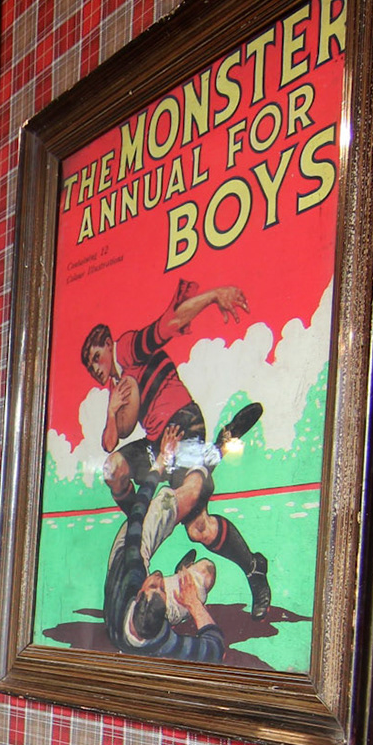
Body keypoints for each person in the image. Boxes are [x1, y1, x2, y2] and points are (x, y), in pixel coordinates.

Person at [81, 279, 270, 617]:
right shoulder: (116, 385)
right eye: (90, 365)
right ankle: (213, 454)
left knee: (200, 529)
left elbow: (169, 324)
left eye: (97, 357)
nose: (96, 368)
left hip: (182, 424)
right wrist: (111, 411)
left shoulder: (127, 348)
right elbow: (110, 442)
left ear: (109, 345)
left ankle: (254, 568)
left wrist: (214, 296)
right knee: (113, 469)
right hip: (158, 443)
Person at [103, 465, 234, 662]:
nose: (158, 578)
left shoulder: (132, 572)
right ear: (165, 617)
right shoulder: (163, 640)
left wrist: (157, 467)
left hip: (124, 557)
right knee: (206, 572)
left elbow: (137, 513)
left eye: (154, 585)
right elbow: (215, 651)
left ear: (138, 595)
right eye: (163, 588)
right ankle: (201, 465)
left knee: (179, 499)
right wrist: (193, 604)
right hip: (138, 606)